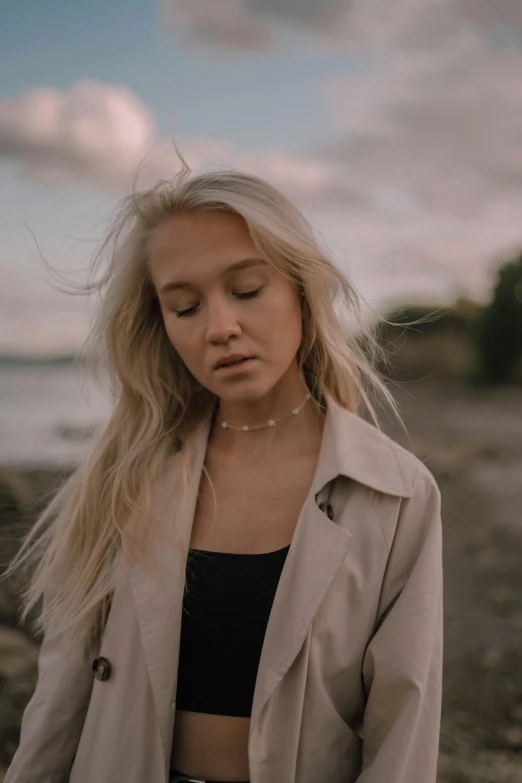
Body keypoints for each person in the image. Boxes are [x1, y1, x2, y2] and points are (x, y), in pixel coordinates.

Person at [3, 162, 443, 783]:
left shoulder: (392, 493)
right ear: (162, 325)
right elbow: (63, 688)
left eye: (246, 290)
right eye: (184, 307)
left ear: (300, 289)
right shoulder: (122, 477)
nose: (220, 328)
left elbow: (405, 724)